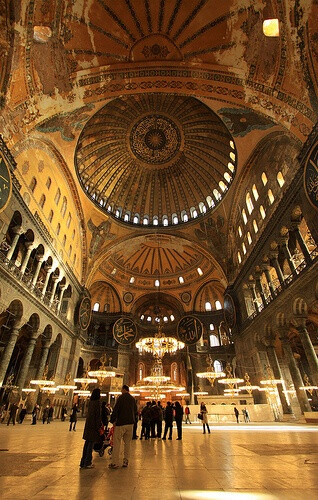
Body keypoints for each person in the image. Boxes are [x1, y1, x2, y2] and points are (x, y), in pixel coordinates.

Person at [108, 384, 137, 469]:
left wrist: (112, 420)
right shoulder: (132, 399)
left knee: (117, 442)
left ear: (124, 390)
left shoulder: (121, 398)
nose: (121, 391)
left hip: (121, 423)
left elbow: (116, 409)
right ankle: (125, 461)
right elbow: (135, 410)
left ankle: (115, 463)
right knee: (127, 443)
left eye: (121, 390)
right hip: (130, 424)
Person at [80, 388, 102, 469]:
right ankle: (88, 462)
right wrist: (99, 426)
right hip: (93, 427)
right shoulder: (97, 403)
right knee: (90, 445)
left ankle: (82, 462)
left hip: (88, 426)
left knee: (87, 444)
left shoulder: (91, 402)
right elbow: (97, 416)